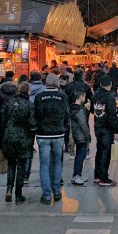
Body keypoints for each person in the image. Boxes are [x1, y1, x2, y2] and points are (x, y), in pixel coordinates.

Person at [32, 74, 70, 204]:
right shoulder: (63, 97)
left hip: (43, 135)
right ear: (57, 82)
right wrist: (64, 128)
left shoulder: (39, 97)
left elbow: (35, 115)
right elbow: (67, 115)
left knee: (44, 164)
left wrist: (36, 129)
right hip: (58, 134)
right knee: (57, 163)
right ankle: (57, 191)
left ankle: (47, 195)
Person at [1, 81, 33, 203]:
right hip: (23, 136)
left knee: (11, 164)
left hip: (10, 135)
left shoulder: (10, 103)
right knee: (21, 165)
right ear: (28, 91)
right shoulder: (29, 105)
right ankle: (18, 194)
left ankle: (9, 189)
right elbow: (32, 123)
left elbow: (3, 119)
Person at [91, 75, 118, 186]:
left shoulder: (95, 96)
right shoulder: (110, 98)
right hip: (107, 129)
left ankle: (97, 175)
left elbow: (93, 111)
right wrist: (115, 130)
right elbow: (112, 115)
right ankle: (104, 178)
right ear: (110, 85)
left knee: (99, 151)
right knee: (106, 153)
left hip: (98, 127)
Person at [69, 92, 91, 185]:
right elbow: (83, 124)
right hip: (81, 136)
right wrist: (88, 135)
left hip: (76, 135)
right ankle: (77, 175)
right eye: (84, 96)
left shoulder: (72, 108)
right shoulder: (80, 110)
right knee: (80, 156)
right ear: (81, 96)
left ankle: (78, 174)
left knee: (79, 155)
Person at [0, 74, 18, 152]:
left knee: (2, 128)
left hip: (3, 113)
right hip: (13, 112)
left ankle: (1, 145)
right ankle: (12, 145)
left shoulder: (0, 91)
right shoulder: (16, 90)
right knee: (13, 128)